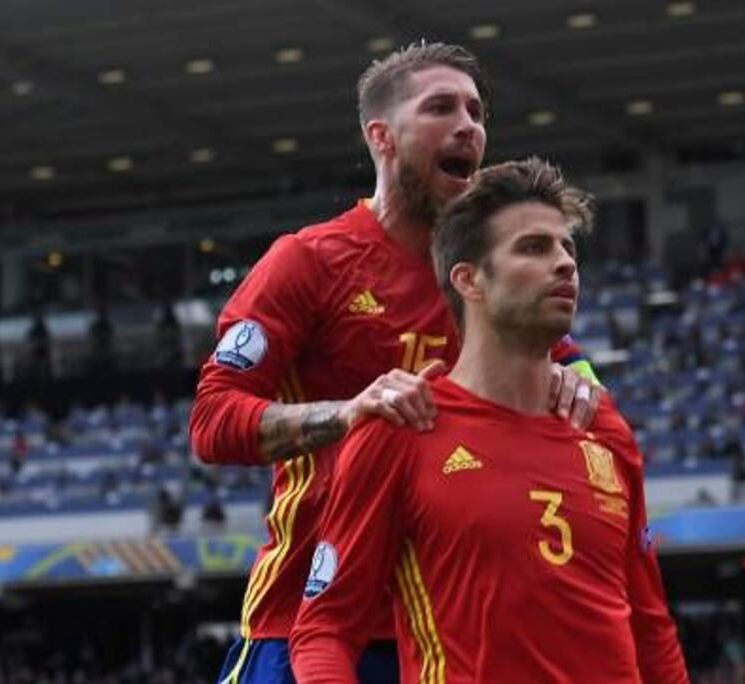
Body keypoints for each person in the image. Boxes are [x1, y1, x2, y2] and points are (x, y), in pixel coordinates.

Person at [189, 43, 601, 684]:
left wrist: (582, 387)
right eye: (441, 107)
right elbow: (212, 422)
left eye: (476, 109)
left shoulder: (486, 278)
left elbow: (572, 366)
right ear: (381, 136)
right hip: (303, 621)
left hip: (447, 636)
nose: (469, 124)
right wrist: (349, 414)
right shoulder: (309, 262)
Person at [291, 158, 688, 683]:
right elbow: (324, 630)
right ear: (469, 280)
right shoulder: (401, 429)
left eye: (568, 248)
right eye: (533, 248)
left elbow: (651, 631)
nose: (566, 263)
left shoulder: (604, 428)